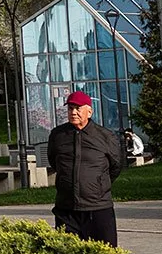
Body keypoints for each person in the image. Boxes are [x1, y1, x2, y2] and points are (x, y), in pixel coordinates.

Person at [46, 90, 123, 245]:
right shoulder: (58, 135)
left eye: (78, 108)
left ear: (89, 111)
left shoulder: (105, 136)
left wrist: (98, 184)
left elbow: (115, 167)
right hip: (66, 209)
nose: (73, 112)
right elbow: (54, 162)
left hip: (98, 209)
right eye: (70, 108)